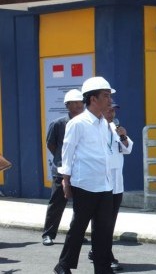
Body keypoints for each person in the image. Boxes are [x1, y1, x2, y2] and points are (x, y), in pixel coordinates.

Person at [54, 76, 116, 274]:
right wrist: (66, 180)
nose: (109, 100)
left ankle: (103, 268)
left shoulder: (105, 124)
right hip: (84, 184)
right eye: (105, 96)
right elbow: (67, 152)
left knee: (104, 230)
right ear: (93, 99)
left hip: (105, 184)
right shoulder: (78, 123)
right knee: (78, 228)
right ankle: (63, 265)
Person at [88, 103, 133, 271]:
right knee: (101, 222)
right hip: (100, 181)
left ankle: (99, 252)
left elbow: (127, 150)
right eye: (108, 109)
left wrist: (123, 136)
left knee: (110, 222)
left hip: (116, 182)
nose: (111, 113)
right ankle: (105, 255)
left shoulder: (116, 127)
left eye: (113, 110)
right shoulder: (94, 128)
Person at [42, 89, 84, 246]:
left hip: (80, 170)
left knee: (81, 206)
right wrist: (61, 160)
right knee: (57, 203)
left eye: (81, 102)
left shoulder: (86, 123)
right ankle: (48, 234)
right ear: (68, 105)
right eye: (76, 103)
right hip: (61, 171)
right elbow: (51, 145)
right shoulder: (58, 124)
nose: (80, 105)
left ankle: (76, 234)